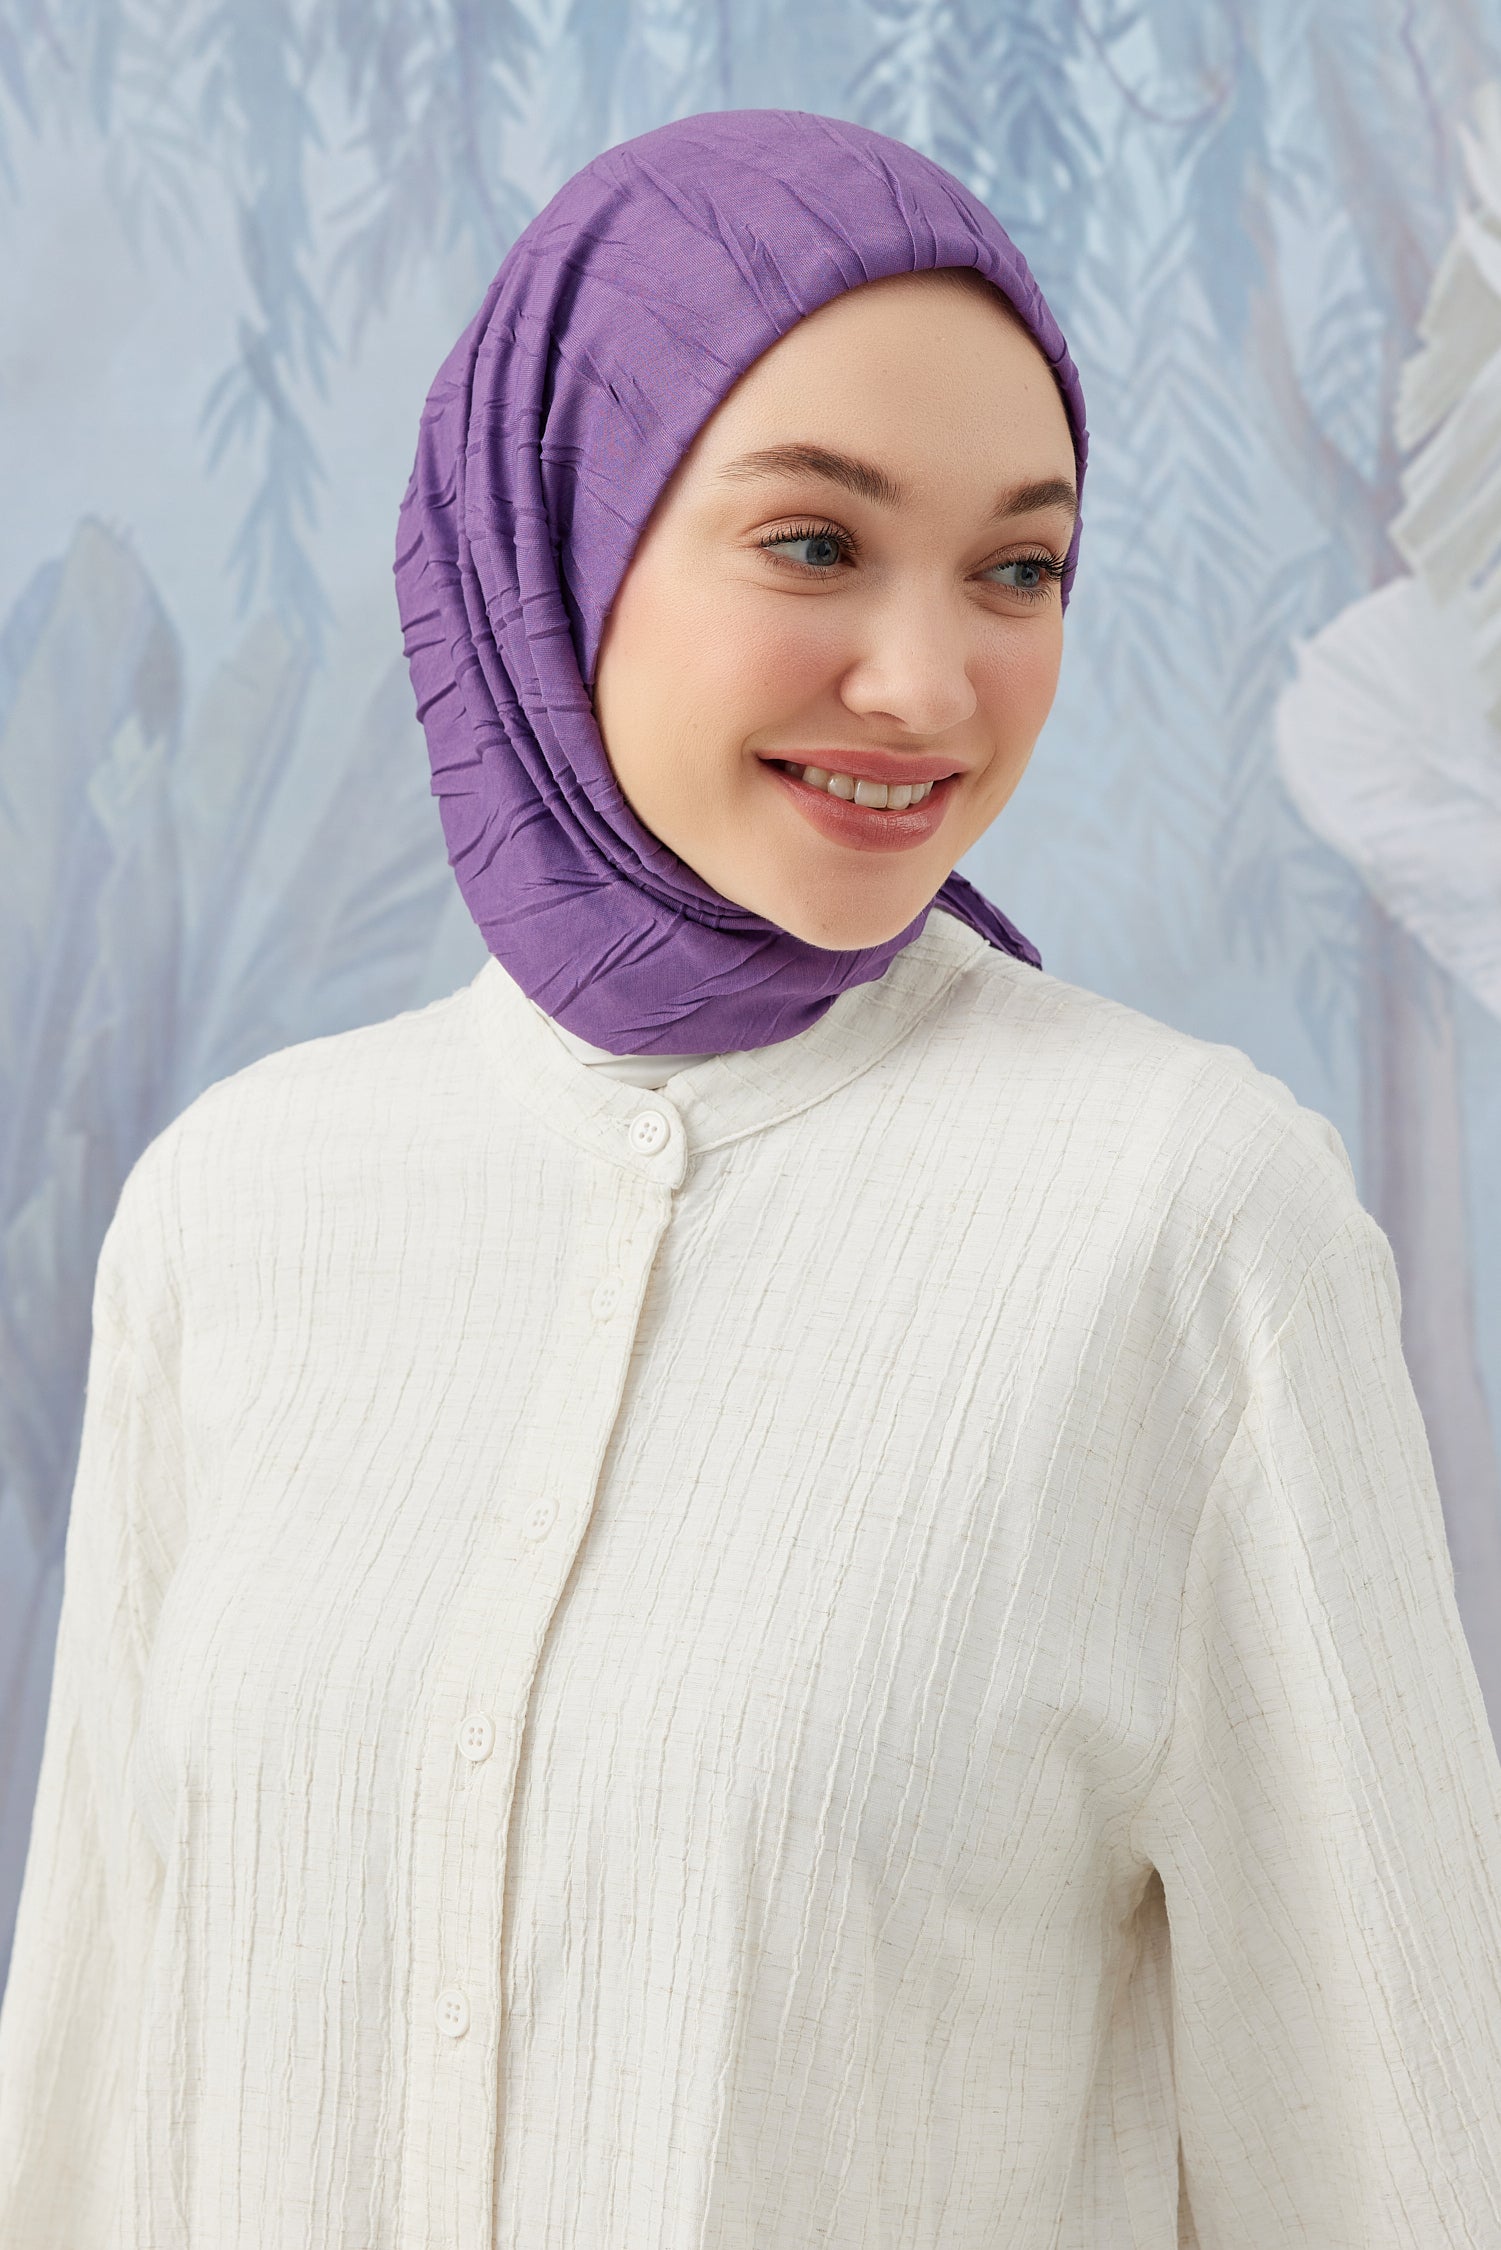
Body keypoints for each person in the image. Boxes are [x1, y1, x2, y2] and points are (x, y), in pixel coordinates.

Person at [2, 104, 1500, 2250]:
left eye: (1018, 568)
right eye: (813, 543)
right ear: (561, 524)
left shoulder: (1182, 1220)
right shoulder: (236, 1213)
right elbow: (87, 2112)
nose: (929, 683)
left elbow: (1402, 2165)